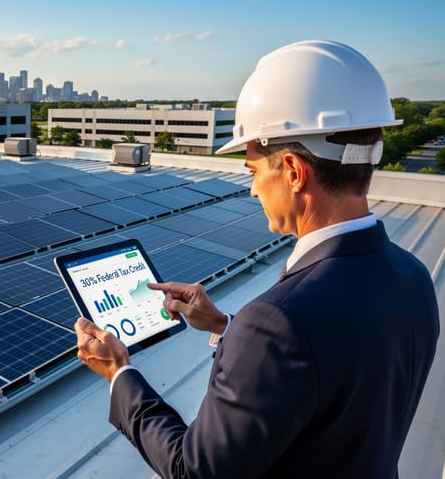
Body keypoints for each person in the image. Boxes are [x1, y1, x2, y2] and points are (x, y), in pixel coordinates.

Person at [74, 40, 439, 478]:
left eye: (253, 171)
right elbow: (328, 372)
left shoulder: (278, 322)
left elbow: (195, 470)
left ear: (293, 171)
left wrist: (119, 373)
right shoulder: (413, 275)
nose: (251, 189)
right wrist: (226, 327)